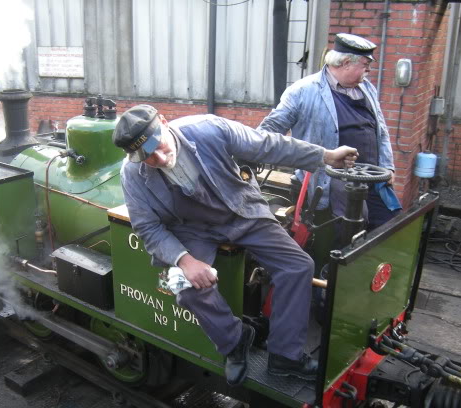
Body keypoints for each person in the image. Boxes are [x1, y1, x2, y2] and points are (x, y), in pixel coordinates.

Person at [113, 105, 358, 386]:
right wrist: (184, 260)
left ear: (165, 123)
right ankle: (235, 340)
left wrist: (323, 156)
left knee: (298, 265)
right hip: (193, 229)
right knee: (187, 290)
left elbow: (268, 146)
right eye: (147, 157)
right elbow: (147, 226)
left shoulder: (209, 129)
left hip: (242, 212)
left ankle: (285, 356)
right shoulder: (132, 174)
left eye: (157, 145)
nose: (158, 157)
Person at [258, 33, 401, 232]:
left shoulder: (367, 88)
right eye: (365, 63)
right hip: (333, 178)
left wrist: (388, 166)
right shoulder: (302, 91)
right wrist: (250, 149)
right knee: (353, 228)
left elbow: (381, 130)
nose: (369, 69)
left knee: (389, 221)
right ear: (344, 63)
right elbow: (267, 132)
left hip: (372, 175)